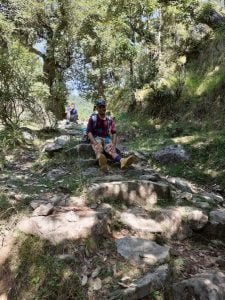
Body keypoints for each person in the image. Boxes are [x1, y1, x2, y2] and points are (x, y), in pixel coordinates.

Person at [87, 99, 136, 172]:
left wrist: (113, 144)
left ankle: (122, 161)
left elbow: (114, 133)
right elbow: (89, 132)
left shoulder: (109, 119)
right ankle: (102, 164)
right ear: (97, 108)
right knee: (99, 149)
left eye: (103, 106)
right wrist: (95, 143)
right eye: (100, 107)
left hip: (106, 138)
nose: (102, 108)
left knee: (112, 150)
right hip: (96, 137)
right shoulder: (93, 119)